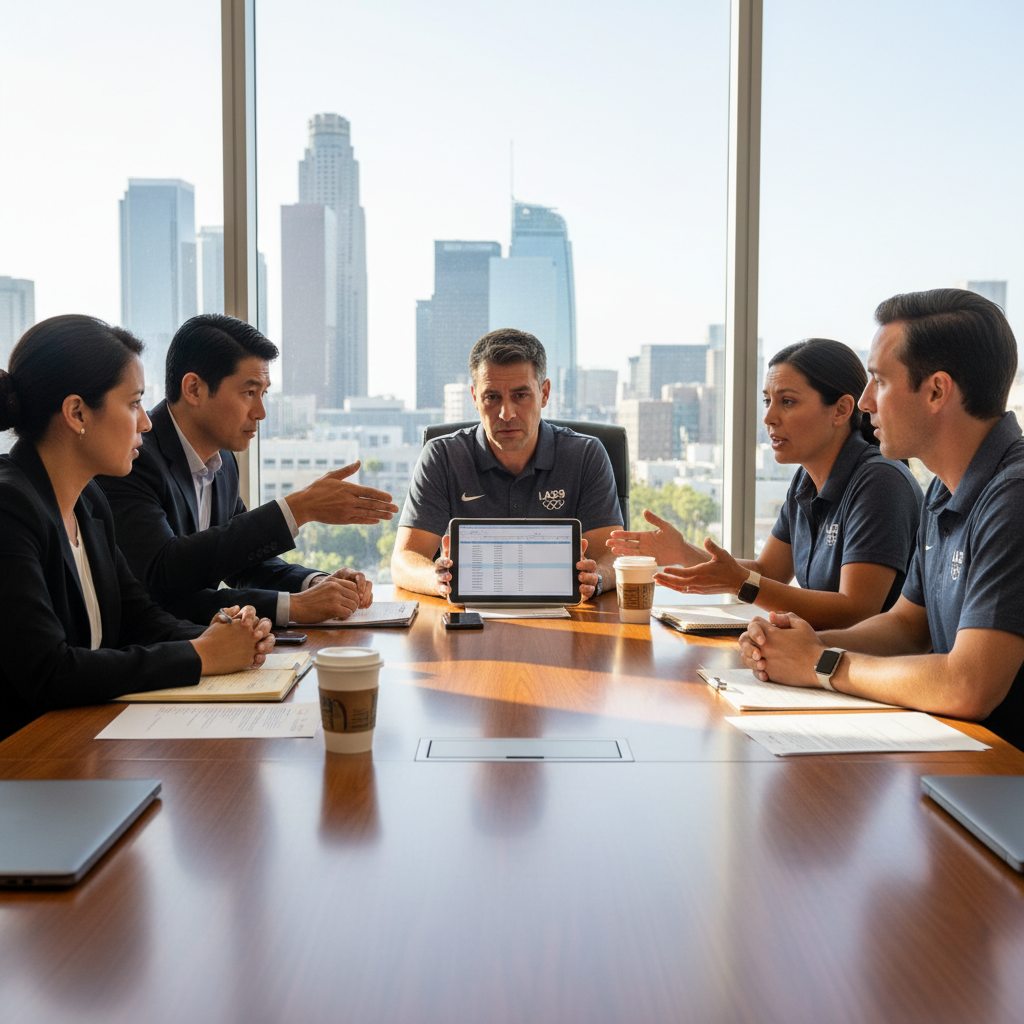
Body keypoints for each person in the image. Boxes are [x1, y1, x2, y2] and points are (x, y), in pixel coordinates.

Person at [739, 289, 1024, 750]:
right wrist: (801, 646)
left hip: (1003, 771)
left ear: (936, 391)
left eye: (880, 381)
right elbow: (906, 627)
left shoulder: (1013, 497)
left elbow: (968, 685)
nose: (866, 401)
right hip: (963, 758)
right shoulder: (944, 490)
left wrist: (821, 664)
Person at [0, 315, 275, 741]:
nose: (146, 422)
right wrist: (201, 655)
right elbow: (49, 671)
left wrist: (226, 636)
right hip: (28, 755)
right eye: (133, 404)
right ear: (76, 413)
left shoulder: (90, 501)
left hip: (84, 739)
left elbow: (138, 618)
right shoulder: (9, 506)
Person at [97, 314, 399, 626]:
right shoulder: (134, 459)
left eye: (263, 393)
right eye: (249, 392)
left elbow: (243, 562)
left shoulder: (224, 462)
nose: (261, 412)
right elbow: (162, 579)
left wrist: (315, 584)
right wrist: (298, 509)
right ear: (194, 389)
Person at [608, 338, 923, 628]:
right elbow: (768, 572)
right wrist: (682, 552)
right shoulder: (805, 481)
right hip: (821, 653)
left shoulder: (880, 482)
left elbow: (856, 611)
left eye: (787, 402)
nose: (769, 417)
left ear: (841, 410)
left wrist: (741, 583)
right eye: (767, 400)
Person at [391, 329, 623, 598]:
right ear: (475, 398)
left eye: (520, 395)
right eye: (492, 397)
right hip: (467, 615)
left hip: (568, 615)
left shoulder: (585, 455)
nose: (506, 413)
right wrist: (437, 580)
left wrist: (595, 578)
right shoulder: (442, 456)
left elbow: (613, 557)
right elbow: (404, 559)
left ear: (544, 393)